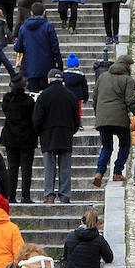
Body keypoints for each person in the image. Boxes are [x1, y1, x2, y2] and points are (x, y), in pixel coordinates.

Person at [33, 69, 81, 204]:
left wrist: (40, 132)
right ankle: (65, 195)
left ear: (49, 80)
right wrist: (71, 130)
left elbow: (36, 119)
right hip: (65, 134)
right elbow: (76, 119)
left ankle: (49, 195)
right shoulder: (70, 95)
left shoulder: (44, 96)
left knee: (49, 167)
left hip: (48, 135)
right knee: (65, 167)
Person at [92, 53, 135, 187]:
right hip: (120, 118)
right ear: (127, 66)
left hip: (102, 118)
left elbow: (95, 98)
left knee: (106, 146)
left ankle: (99, 172)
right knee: (125, 144)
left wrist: (98, 114)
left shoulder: (102, 77)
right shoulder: (128, 79)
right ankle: (117, 172)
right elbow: (131, 101)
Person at [0, 76, 36, 204]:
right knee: (26, 168)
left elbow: (5, 110)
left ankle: (11, 195)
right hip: (26, 137)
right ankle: (25, 195)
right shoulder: (29, 101)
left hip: (10, 136)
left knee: (12, 167)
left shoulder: (7, 99)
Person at [14, 2, 62, 91]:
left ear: (31, 13)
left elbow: (17, 47)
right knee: (47, 94)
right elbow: (55, 48)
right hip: (47, 67)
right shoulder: (48, 26)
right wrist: (60, 65)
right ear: (44, 13)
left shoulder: (23, 28)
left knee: (33, 94)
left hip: (30, 67)